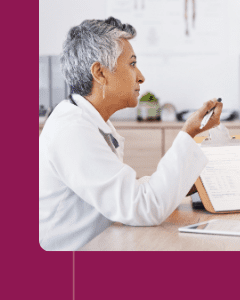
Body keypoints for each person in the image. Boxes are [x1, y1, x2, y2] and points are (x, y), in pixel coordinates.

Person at [39, 17, 222, 251]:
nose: (141, 77)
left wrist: (184, 183)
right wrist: (189, 133)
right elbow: (143, 207)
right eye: (132, 64)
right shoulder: (72, 132)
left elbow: (126, 192)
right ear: (100, 73)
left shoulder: (87, 121)